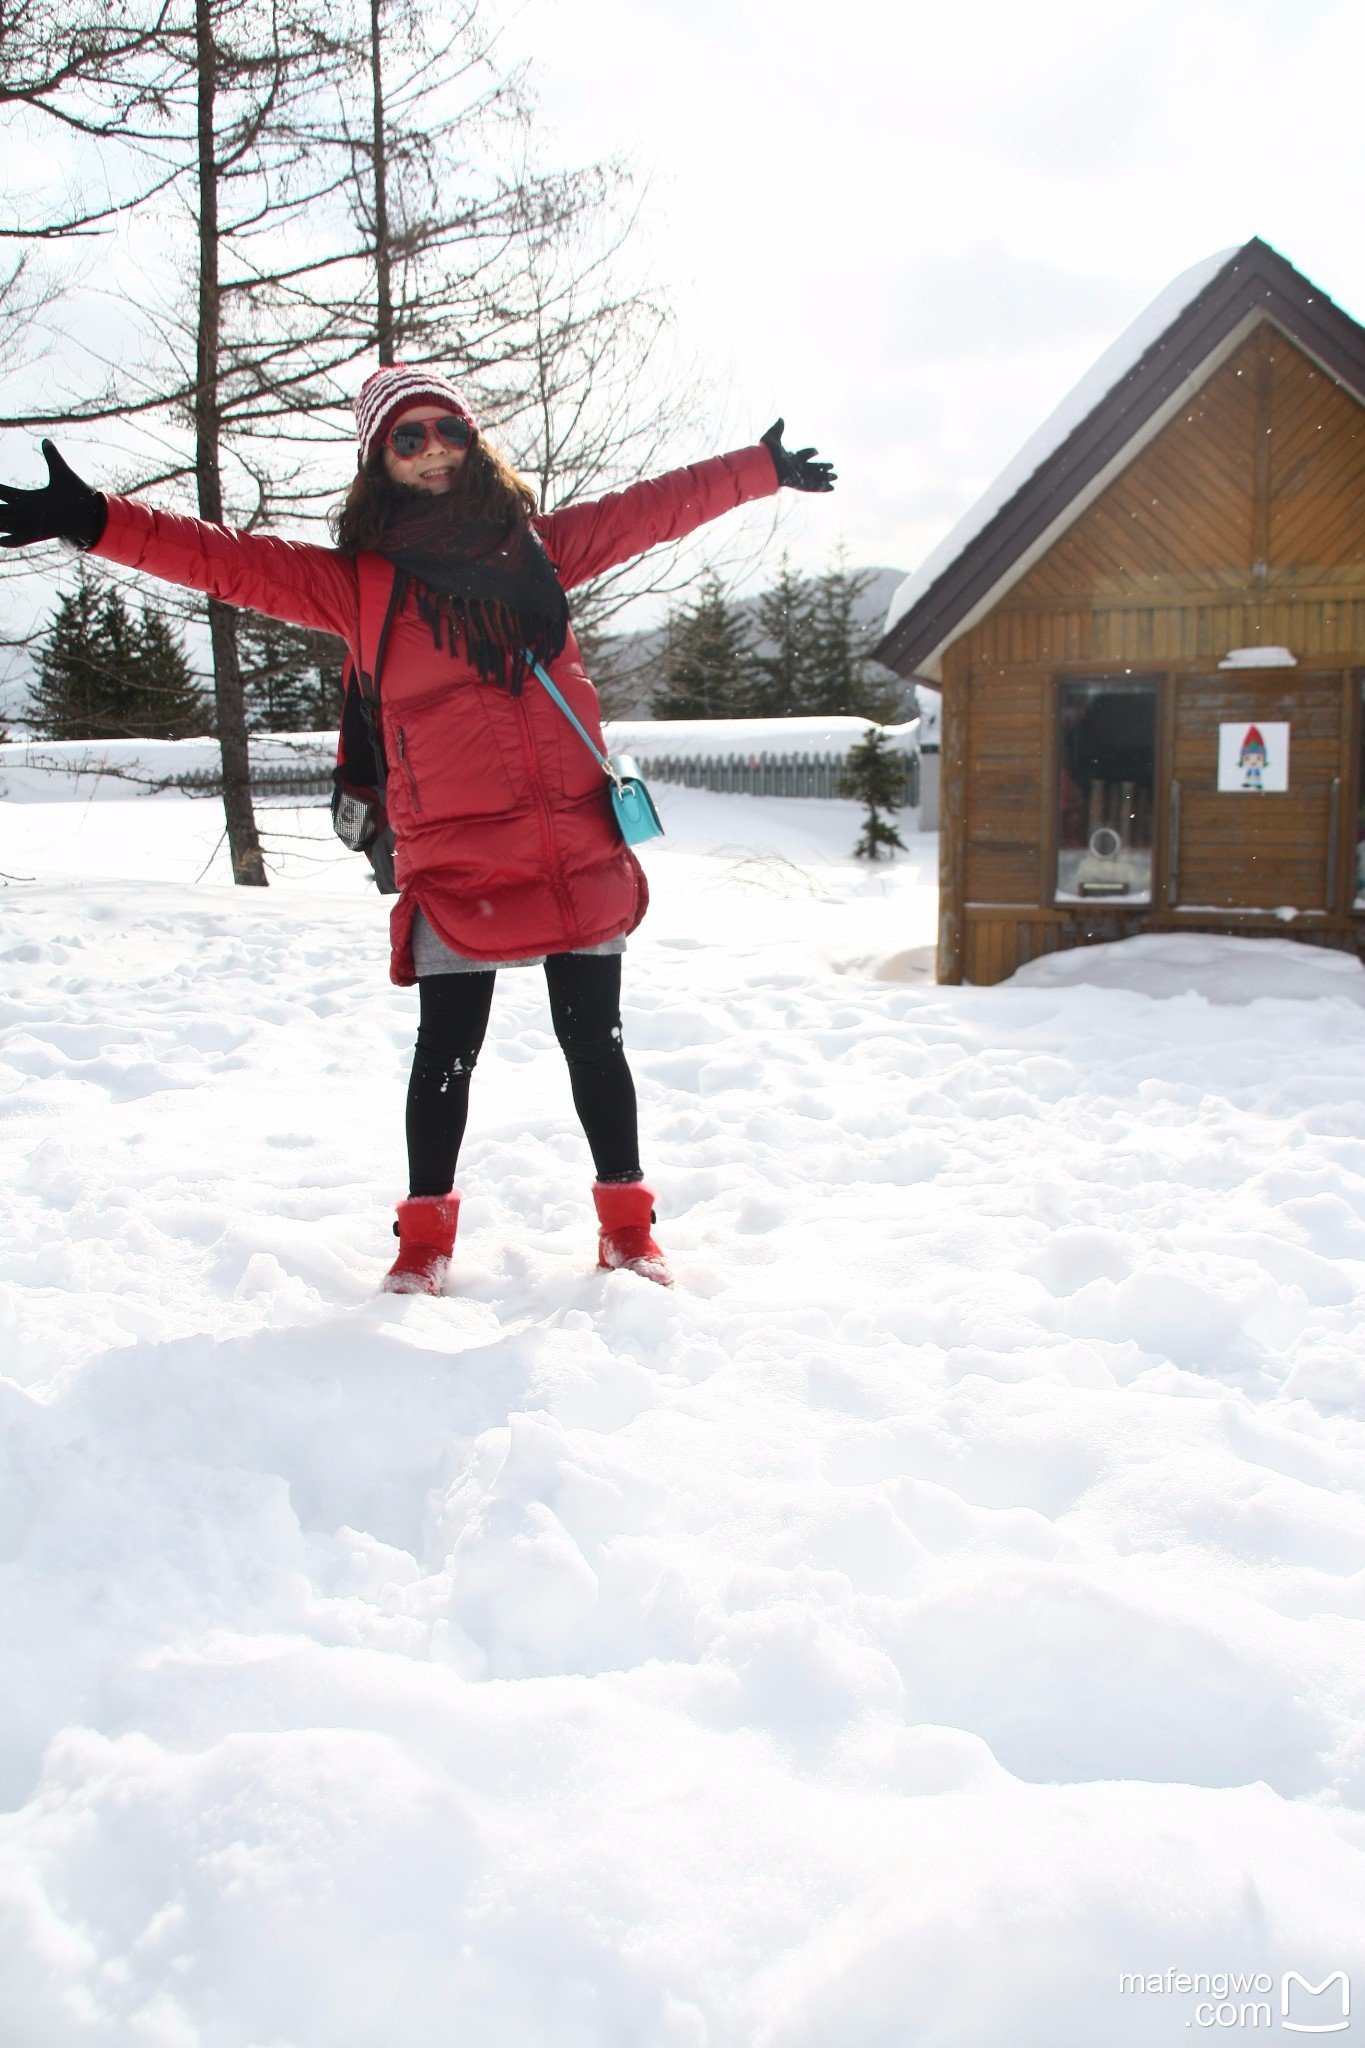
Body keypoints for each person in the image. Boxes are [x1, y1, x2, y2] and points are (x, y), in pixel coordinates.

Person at [0, 369, 836, 1293]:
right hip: (457, 854)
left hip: (570, 841)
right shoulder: (356, 587)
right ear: (377, 461)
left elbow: (654, 509)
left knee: (595, 1041)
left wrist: (756, 468)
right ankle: (423, 1242)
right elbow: (223, 559)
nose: (434, 449)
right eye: (408, 437)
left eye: (448, 430)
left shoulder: (540, 550)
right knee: (447, 1049)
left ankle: (629, 1230)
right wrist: (95, 521)